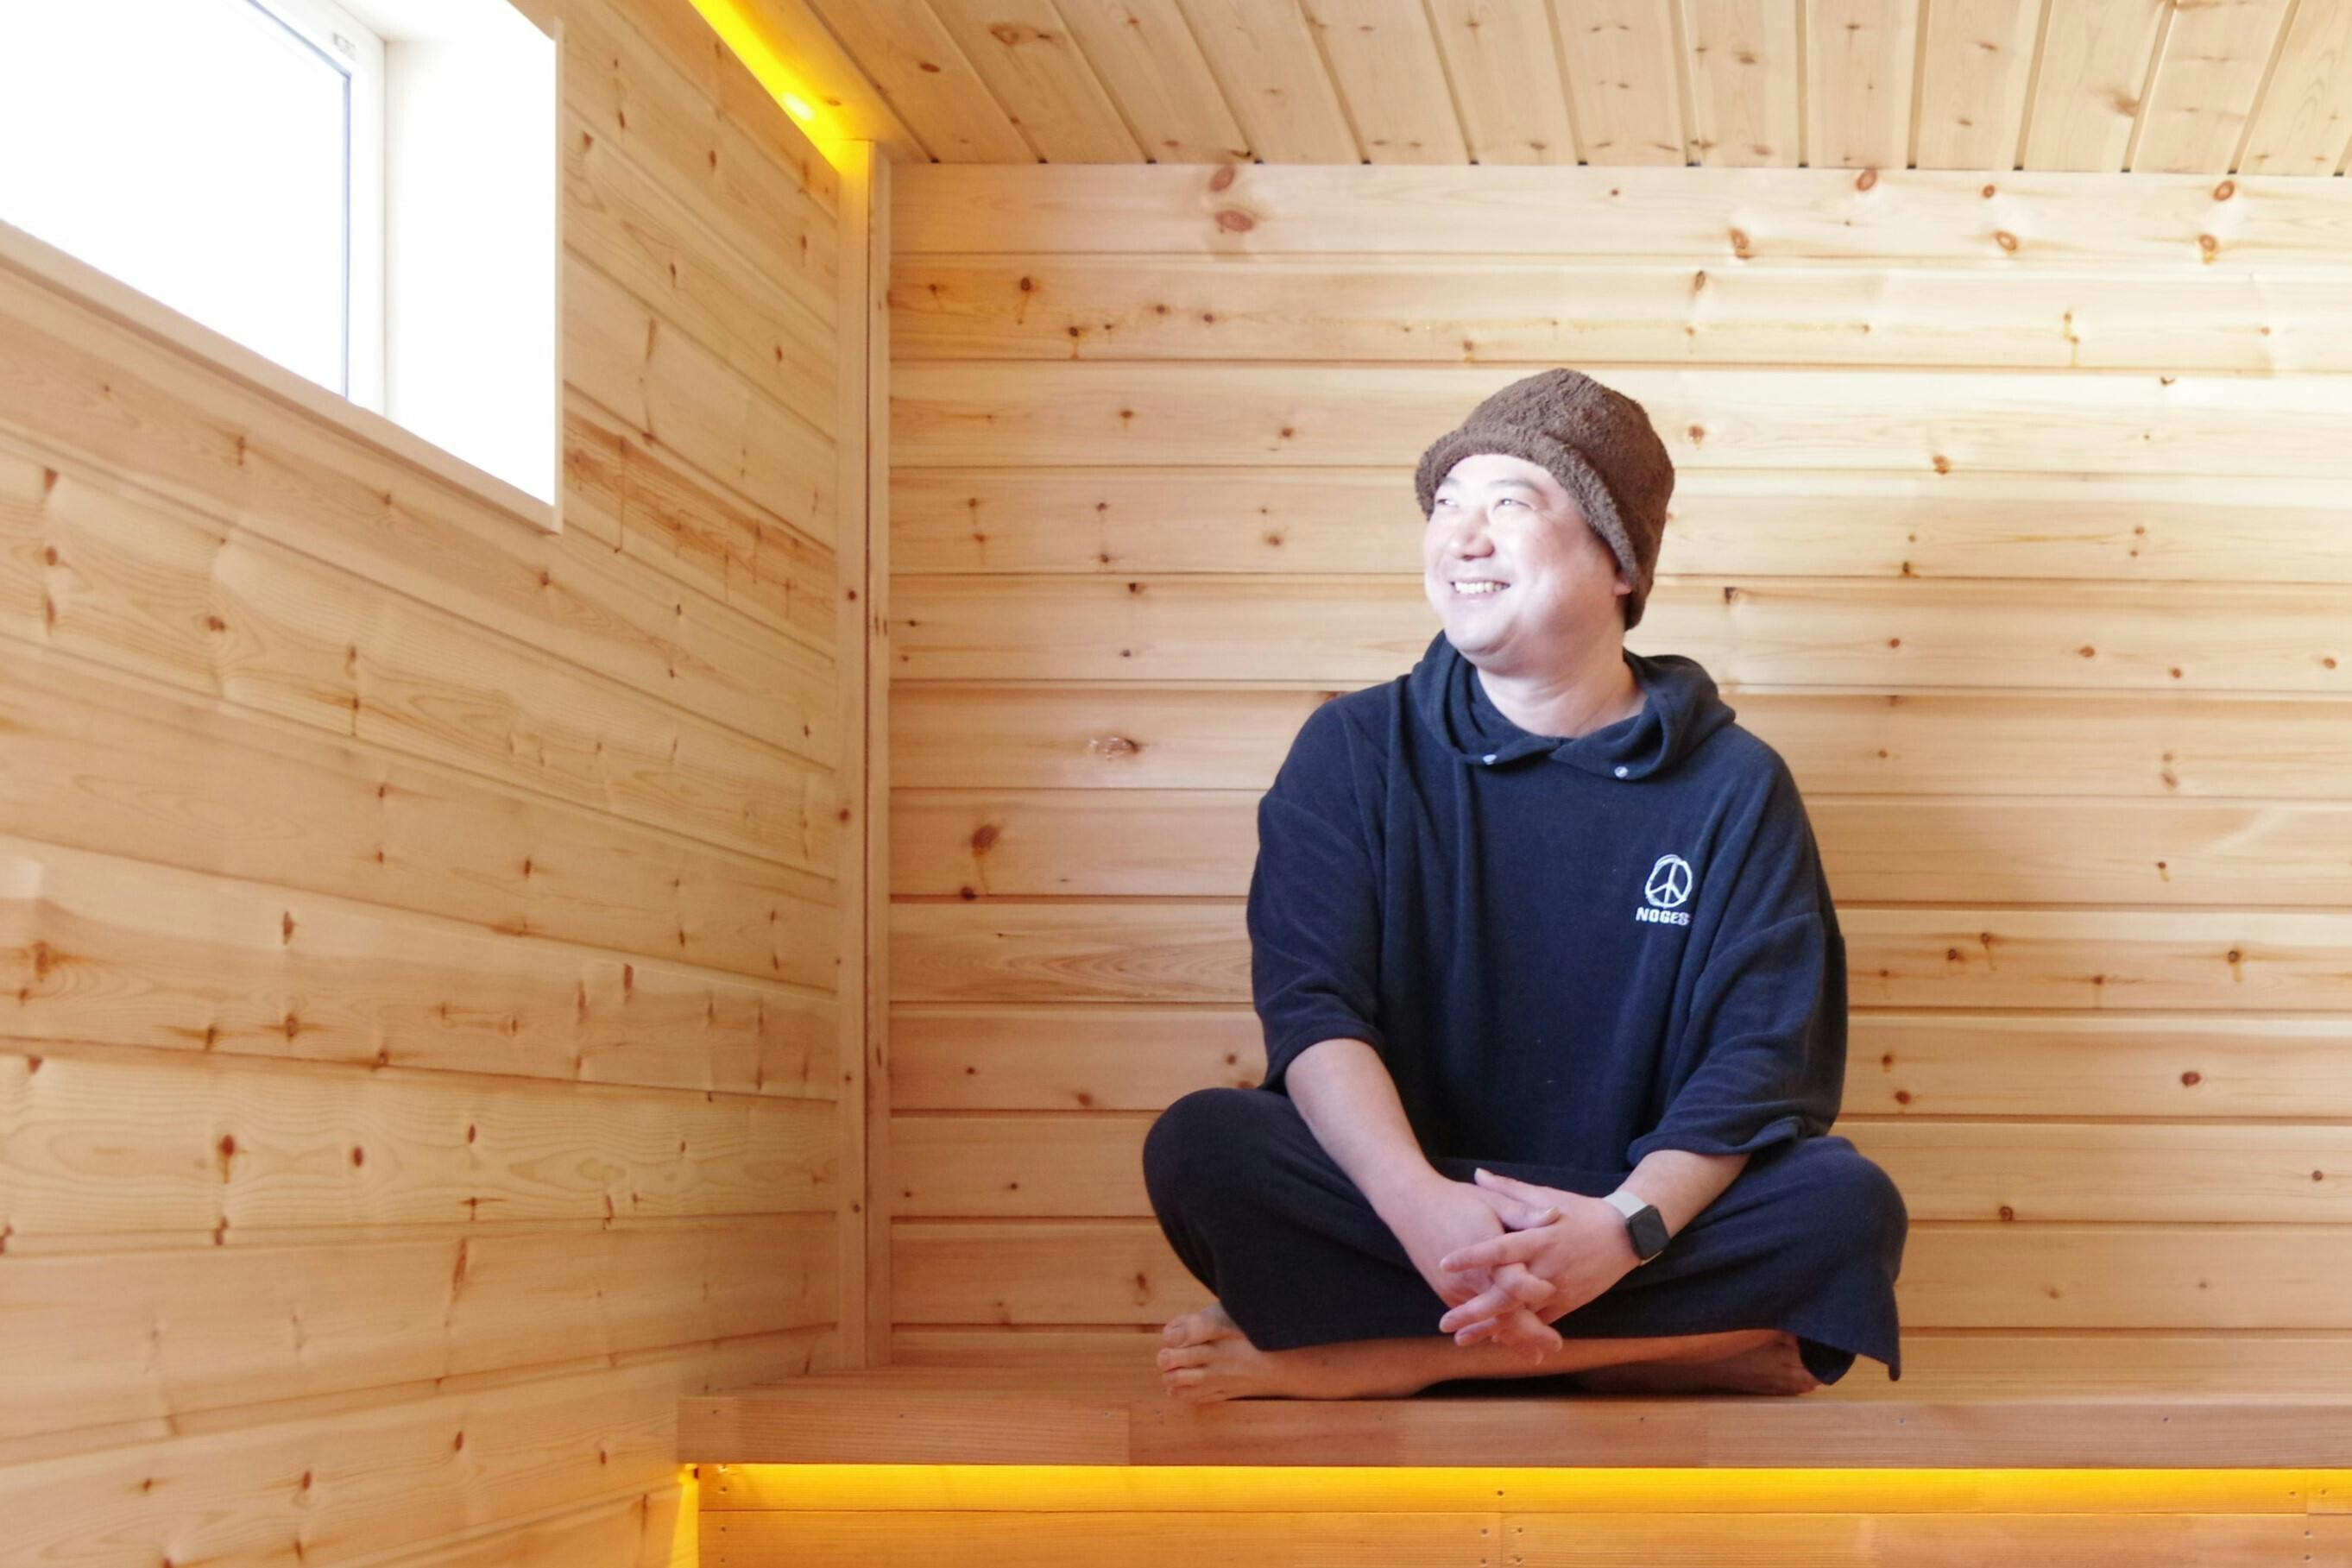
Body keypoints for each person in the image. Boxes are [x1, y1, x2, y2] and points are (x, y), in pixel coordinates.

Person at [1141, 368, 1908, 1404]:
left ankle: (1383, 1357)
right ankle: (1675, 1349)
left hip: (1626, 1208)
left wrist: (1622, 1229)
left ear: (1619, 560)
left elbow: (1757, 1065)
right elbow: (1313, 1012)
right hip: (1413, 1197)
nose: (1462, 537)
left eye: (1509, 503)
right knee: (1205, 1145)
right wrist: (1421, 1207)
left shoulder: (1733, 783)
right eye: (1445, 504)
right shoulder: (1353, 749)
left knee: (1843, 1203)